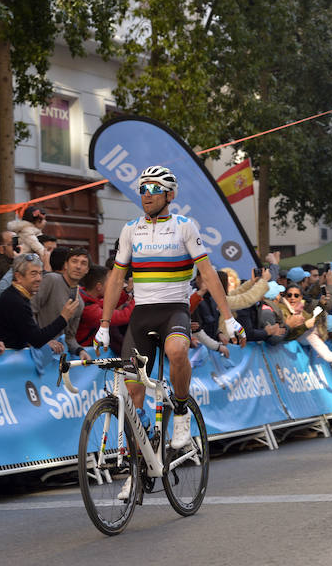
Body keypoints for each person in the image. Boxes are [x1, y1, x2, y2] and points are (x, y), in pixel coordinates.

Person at [94, 165, 243, 481]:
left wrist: (228, 318)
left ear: (169, 194)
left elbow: (208, 274)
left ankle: (180, 411)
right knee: (132, 396)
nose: (146, 195)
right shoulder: (130, 229)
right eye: (142, 189)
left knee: (177, 351)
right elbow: (117, 277)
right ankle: (140, 467)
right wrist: (104, 324)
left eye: (153, 189)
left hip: (174, 310)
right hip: (141, 314)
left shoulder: (185, 227)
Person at [0, 253, 80, 349]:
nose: (39, 278)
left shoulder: (18, 296)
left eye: (40, 273)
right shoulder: (15, 301)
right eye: (33, 274)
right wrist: (63, 318)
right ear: (18, 277)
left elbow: (30, 336)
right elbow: (36, 339)